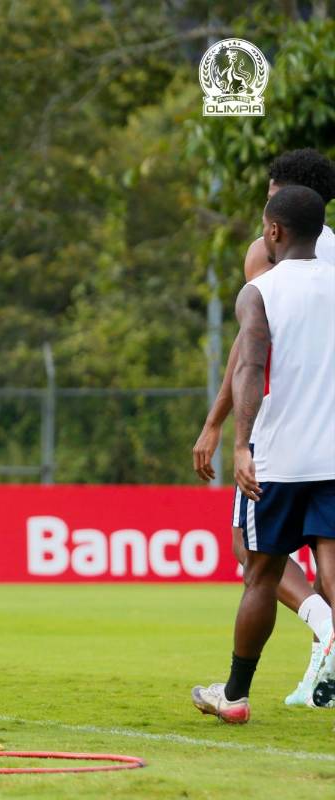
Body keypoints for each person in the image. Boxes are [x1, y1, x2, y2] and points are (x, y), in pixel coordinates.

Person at [192, 149, 335, 705]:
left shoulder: (262, 284)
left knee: (258, 568)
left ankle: (234, 694)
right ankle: (326, 640)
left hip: (278, 452)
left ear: (275, 227)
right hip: (331, 448)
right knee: (329, 554)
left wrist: (234, 437)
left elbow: (251, 363)